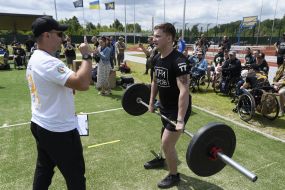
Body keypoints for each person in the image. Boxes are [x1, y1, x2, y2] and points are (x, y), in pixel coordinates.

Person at [26, 16, 93, 190]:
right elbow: (83, 83)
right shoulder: (48, 61)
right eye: (59, 33)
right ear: (47, 35)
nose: (62, 38)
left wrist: (68, 86)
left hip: (42, 123)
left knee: (44, 169)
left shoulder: (36, 57)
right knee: (76, 176)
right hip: (58, 129)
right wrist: (86, 55)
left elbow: (63, 84)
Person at [146, 23, 191, 189]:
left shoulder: (179, 61)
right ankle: (162, 159)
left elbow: (184, 91)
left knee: (167, 143)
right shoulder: (157, 58)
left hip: (177, 109)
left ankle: (174, 175)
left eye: (158, 36)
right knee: (163, 135)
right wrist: (151, 101)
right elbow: (155, 81)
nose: (154, 38)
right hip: (164, 106)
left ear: (170, 38)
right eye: (154, 35)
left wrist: (180, 118)